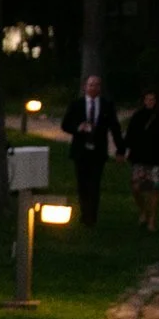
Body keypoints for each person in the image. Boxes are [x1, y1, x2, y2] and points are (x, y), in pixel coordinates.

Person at [65, 73, 122, 225]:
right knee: (82, 183)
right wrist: (78, 128)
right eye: (91, 85)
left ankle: (92, 216)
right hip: (80, 150)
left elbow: (115, 127)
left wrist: (120, 149)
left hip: (98, 150)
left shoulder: (106, 105)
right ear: (85, 87)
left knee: (95, 183)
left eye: (96, 85)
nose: (93, 88)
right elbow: (65, 124)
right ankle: (84, 212)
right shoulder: (77, 104)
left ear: (100, 88)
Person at [124, 91, 159, 232]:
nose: (150, 102)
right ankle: (143, 210)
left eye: (152, 99)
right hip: (140, 157)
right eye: (147, 99)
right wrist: (124, 150)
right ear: (144, 101)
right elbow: (130, 134)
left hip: (157, 158)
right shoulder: (138, 116)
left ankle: (152, 220)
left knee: (154, 189)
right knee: (136, 187)